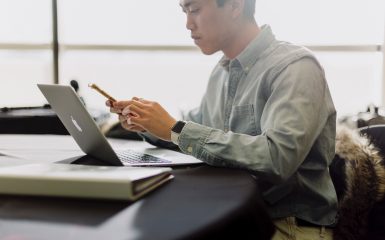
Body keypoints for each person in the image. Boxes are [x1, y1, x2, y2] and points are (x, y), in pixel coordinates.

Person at [107, 0, 337, 239]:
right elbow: (193, 133)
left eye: (195, 10)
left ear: (236, 6)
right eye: (184, 12)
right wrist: (148, 124)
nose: (187, 24)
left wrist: (175, 129)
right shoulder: (221, 73)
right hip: (236, 214)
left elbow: (277, 158)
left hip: (288, 225)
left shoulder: (295, 68)